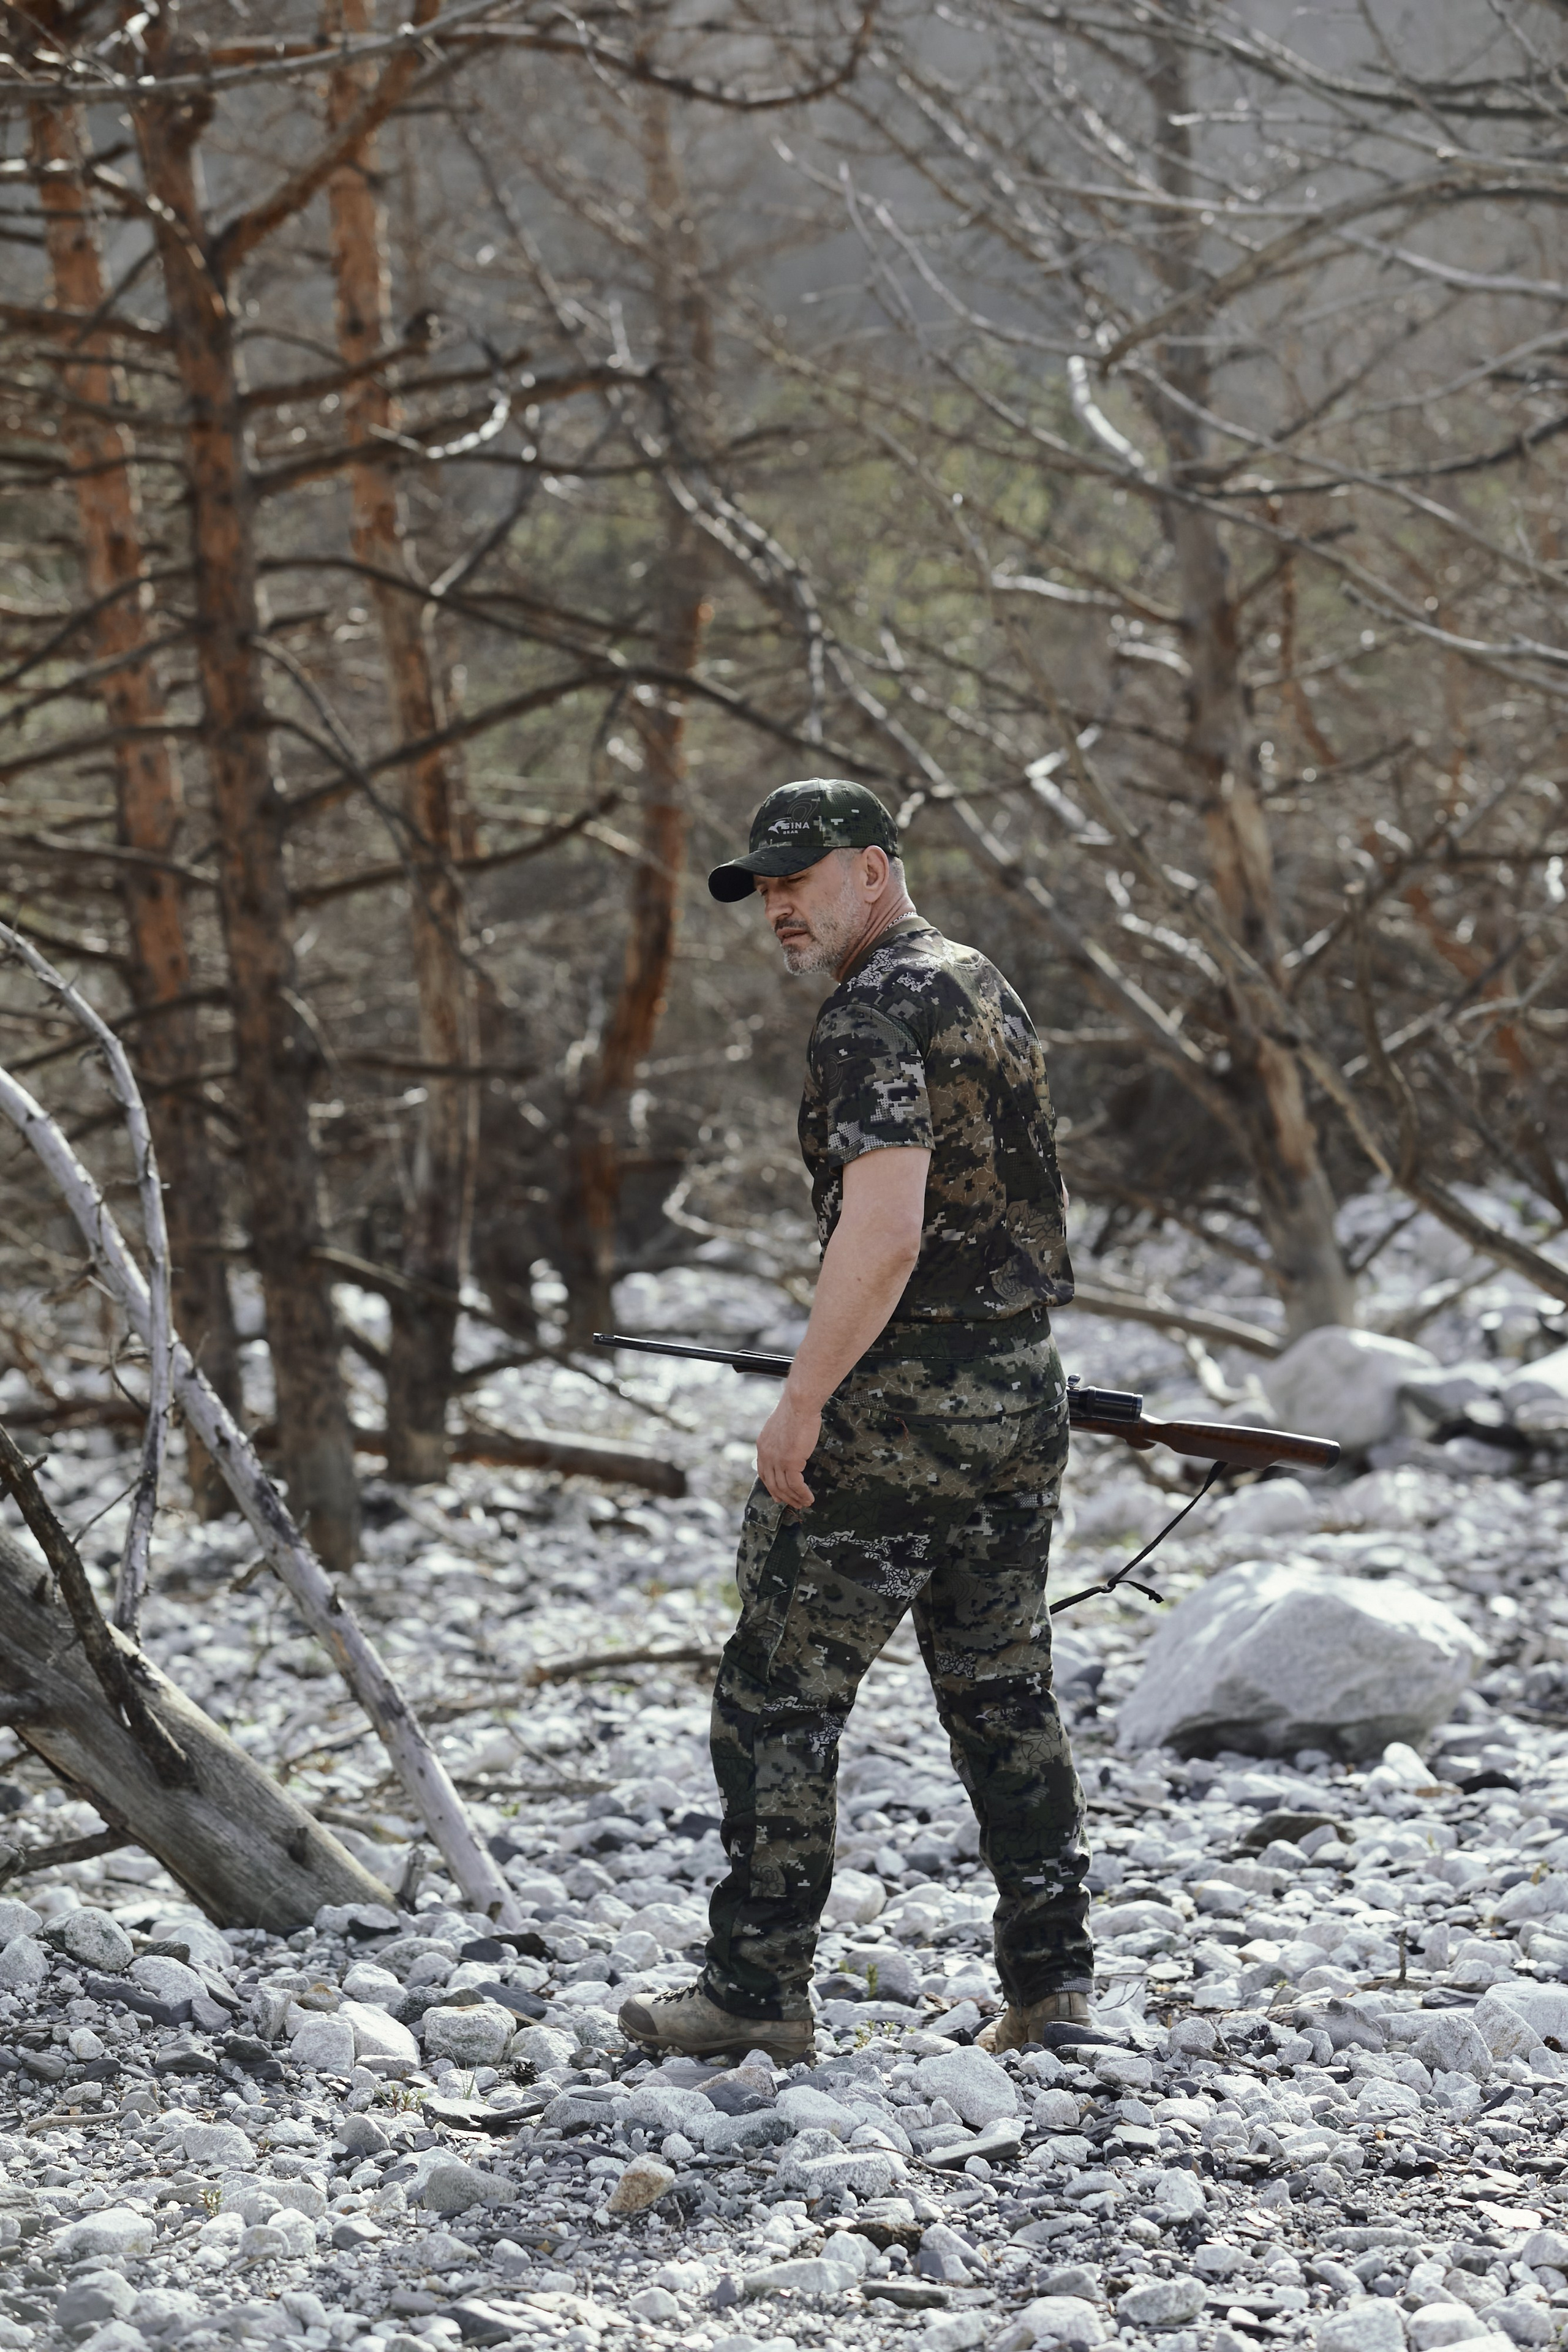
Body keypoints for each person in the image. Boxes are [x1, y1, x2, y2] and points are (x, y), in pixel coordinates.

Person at [618, 778, 1093, 2066]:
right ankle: (1053, 1990)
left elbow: (881, 1234)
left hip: (896, 1412)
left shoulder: (868, 1014)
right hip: (1018, 1389)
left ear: (872, 871)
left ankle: (756, 1994)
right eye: (763, 887)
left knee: (776, 1693)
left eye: (800, 878)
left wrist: (804, 1399)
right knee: (1001, 1689)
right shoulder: (978, 982)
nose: (778, 905)